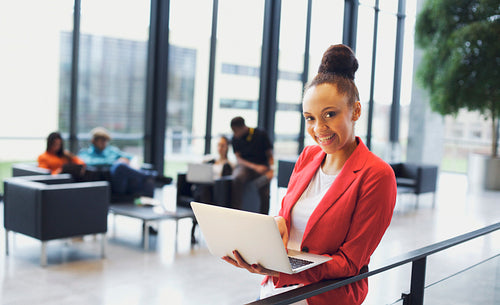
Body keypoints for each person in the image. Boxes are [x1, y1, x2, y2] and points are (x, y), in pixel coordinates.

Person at [222, 44, 397, 305]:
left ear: (356, 111)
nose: (319, 128)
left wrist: (287, 269)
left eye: (330, 114)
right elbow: (287, 218)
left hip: (320, 295)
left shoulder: (376, 175)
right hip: (276, 287)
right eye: (310, 118)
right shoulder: (308, 157)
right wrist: (276, 228)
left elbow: (350, 263)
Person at [78, 127, 171, 198]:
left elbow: (132, 157)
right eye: (101, 140)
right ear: (93, 141)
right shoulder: (85, 153)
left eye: (106, 140)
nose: (104, 143)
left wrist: (133, 164)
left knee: (122, 166)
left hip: (126, 182)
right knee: (119, 166)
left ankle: (149, 177)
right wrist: (116, 161)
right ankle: (153, 176)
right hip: (112, 185)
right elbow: (91, 163)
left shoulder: (112, 151)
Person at [230, 116, 274, 214]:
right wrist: (254, 167)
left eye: (235, 131)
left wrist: (272, 170)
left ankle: (264, 216)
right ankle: (236, 212)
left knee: (265, 192)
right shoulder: (235, 139)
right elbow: (239, 159)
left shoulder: (261, 134)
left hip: (263, 168)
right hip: (246, 167)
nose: (234, 134)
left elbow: (270, 154)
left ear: (241, 127)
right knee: (237, 177)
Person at [193, 135, 234, 204]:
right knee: (200, 185)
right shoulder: (211, 160)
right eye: (218, 145)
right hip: (204, 183)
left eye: (222, 145)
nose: (220, 148)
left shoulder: (229, 164)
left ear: (227, 147)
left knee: (204, 188)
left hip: (215, 187)